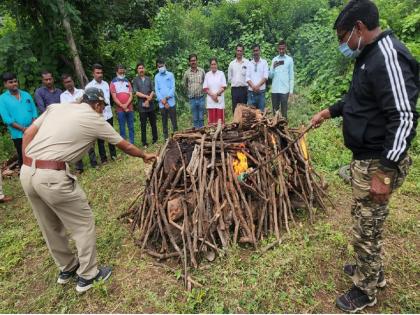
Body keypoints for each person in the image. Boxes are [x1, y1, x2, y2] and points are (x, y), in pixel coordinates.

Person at [310, 0, 419, 312]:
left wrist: (385, 172)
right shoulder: (368, 57)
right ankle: (372, 270)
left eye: (343, 37)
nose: (342, 44)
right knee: (365, 220)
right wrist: (329, 111)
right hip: (365, 159)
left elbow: (404, 117)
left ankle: (365, 290)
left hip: (378, 161)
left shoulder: (388, 57)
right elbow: (358, 100)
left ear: (358, 28)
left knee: (366, 227)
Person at [20, 87, 156, 293]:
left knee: (49, 224)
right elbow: (124, 145)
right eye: (102, 107)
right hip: (51, 176)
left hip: (27, 171)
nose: (102, 111)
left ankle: (67, 269)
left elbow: (28, 132)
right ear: (98, 105)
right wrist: (144, 155)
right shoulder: (94, 119)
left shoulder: (57, 107)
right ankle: (88, 275)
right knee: (83, 223)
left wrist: (29, 163)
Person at [60, 74, 98, 173]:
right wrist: (78, 103)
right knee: (76, 145)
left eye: (70, 81)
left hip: (84, 121)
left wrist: (73, 104)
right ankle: (79, 168)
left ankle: (94, 164)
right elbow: (65, 108)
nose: (68, 84)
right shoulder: (63, 96)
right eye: (66, 82)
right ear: (64, 84)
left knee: (89, 143)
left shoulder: (82, 91)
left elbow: (86, 104)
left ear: (73, 81)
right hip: (72, 123)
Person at [0, 72, 38, 167]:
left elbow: (34, 111)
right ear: (5, 84)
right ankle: (23, 176)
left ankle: (36, 175)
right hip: (18, 134)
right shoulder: (2, 98)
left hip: (32, 130)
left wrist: (32, 126)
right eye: (10, 82)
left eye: (15, 81)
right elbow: (7, 119)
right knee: (23, 155)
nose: (14, 84)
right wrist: (24, 129)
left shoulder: (26, 94)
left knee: (36, 153)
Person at [85, 64, 117, 163]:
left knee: (111, 134)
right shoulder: (89, 87)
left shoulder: (106, 84)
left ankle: (113, 155)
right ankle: (104, 159)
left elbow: (107, 98)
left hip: (108, 113)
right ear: (93, 74)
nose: (100, 75)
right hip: (97, 115)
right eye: (97, 73)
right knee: (100, 139)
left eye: (101, 73)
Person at [132, 62, 158, 147]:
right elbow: (136, 92)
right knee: (143, 125)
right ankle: (144, 142)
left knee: (153, 123)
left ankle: (155, 140)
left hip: (151, 105)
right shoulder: (135, 80)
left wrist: (150, 98)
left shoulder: (149, 79)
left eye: (142, 68)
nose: (141, 70)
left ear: (144, 69)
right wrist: (147, 97)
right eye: (139, 68)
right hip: (141, 106)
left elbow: (153, 90)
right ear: (137, 70)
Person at [269, 39, 294, 118]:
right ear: (277, 49)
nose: (281, 50)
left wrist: (291, 91)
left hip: (284, 90)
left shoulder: (289, 60)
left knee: (284, 113)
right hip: (275, 90)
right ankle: (275, 129)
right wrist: (273, 67)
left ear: (285, 48)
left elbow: (291, 76)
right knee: (275, 112)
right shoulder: (274, 60)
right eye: (280, 49)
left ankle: (284, 129)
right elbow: (270, 76)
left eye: (283, 48)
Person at [110, 65, 134, 144]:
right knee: (122, 128)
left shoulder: (127, 81)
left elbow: (131, 95)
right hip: (120, 109)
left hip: (129, 108)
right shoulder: (113, 82)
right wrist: (122, 106)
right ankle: (125, 145)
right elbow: (114, 97)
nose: (122, 72)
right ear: (117, 72)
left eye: (123, 71)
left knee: (131, 127)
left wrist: (126, 105)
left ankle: (132, 143)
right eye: (120, 71)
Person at [155, 58, 177, 140]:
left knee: (174, 121)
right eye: (159, 66)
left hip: (171, 102)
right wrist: (163, 101)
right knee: (164, 122)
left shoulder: (170, 75)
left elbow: (173, 88)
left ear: (165, 65)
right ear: (157, 67)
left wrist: (167, 98)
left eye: (162, 65)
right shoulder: (156, 77)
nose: (161, 67)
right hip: (162, 103)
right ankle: (166, 138)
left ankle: (176, 137)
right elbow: (157, 90)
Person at [182, 54, 206, 128]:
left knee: (201, 117)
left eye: (194, 60)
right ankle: (196, 134)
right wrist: (189, 91)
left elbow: (205, 82)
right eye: (191, 61)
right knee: (195, 118)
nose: (193, 62)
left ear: (197, 61)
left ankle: (202, 133)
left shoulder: (202, 71)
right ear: (189, 62)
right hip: (192, 99)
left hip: (201, 98)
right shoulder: (187, 73)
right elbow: (184, 84)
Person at [203, 58, 227, 125]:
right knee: (211, 123)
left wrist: (216, 95)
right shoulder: (207, 75)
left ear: (217, 64)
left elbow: (224, 86)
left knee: (220, 123)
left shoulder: (221, 74)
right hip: (211, 102)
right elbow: (205, 88)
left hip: (219, 101)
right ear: (210, 65)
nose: (213, 66)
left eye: (215, 64)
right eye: (212, 64)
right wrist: (213, 96)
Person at [246, 44, 269, 111]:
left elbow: (265, 77)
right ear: (252, 52)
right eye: (254, 51)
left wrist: (257, 86)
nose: (255, 52)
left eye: (257, 50)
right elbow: (247, 78)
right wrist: (253, 87)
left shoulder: (264, 63)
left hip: (261, 92)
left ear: (259, 51)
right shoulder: (249, 63)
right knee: (250, 114)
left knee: (261, 114)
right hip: (251, 93)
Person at [228, 44, 249, 113]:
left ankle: (243, 124)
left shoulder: (247, 62)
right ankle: (235, 123)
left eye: (240, 51)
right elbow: (229, 78)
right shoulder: (232, 64)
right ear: (235, 51)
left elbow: (249, 76)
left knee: (244, 111)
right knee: (235, 110)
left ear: (243, 52)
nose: (239, 52)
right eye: (238, 50)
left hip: (244, 89)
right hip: (235, 90)